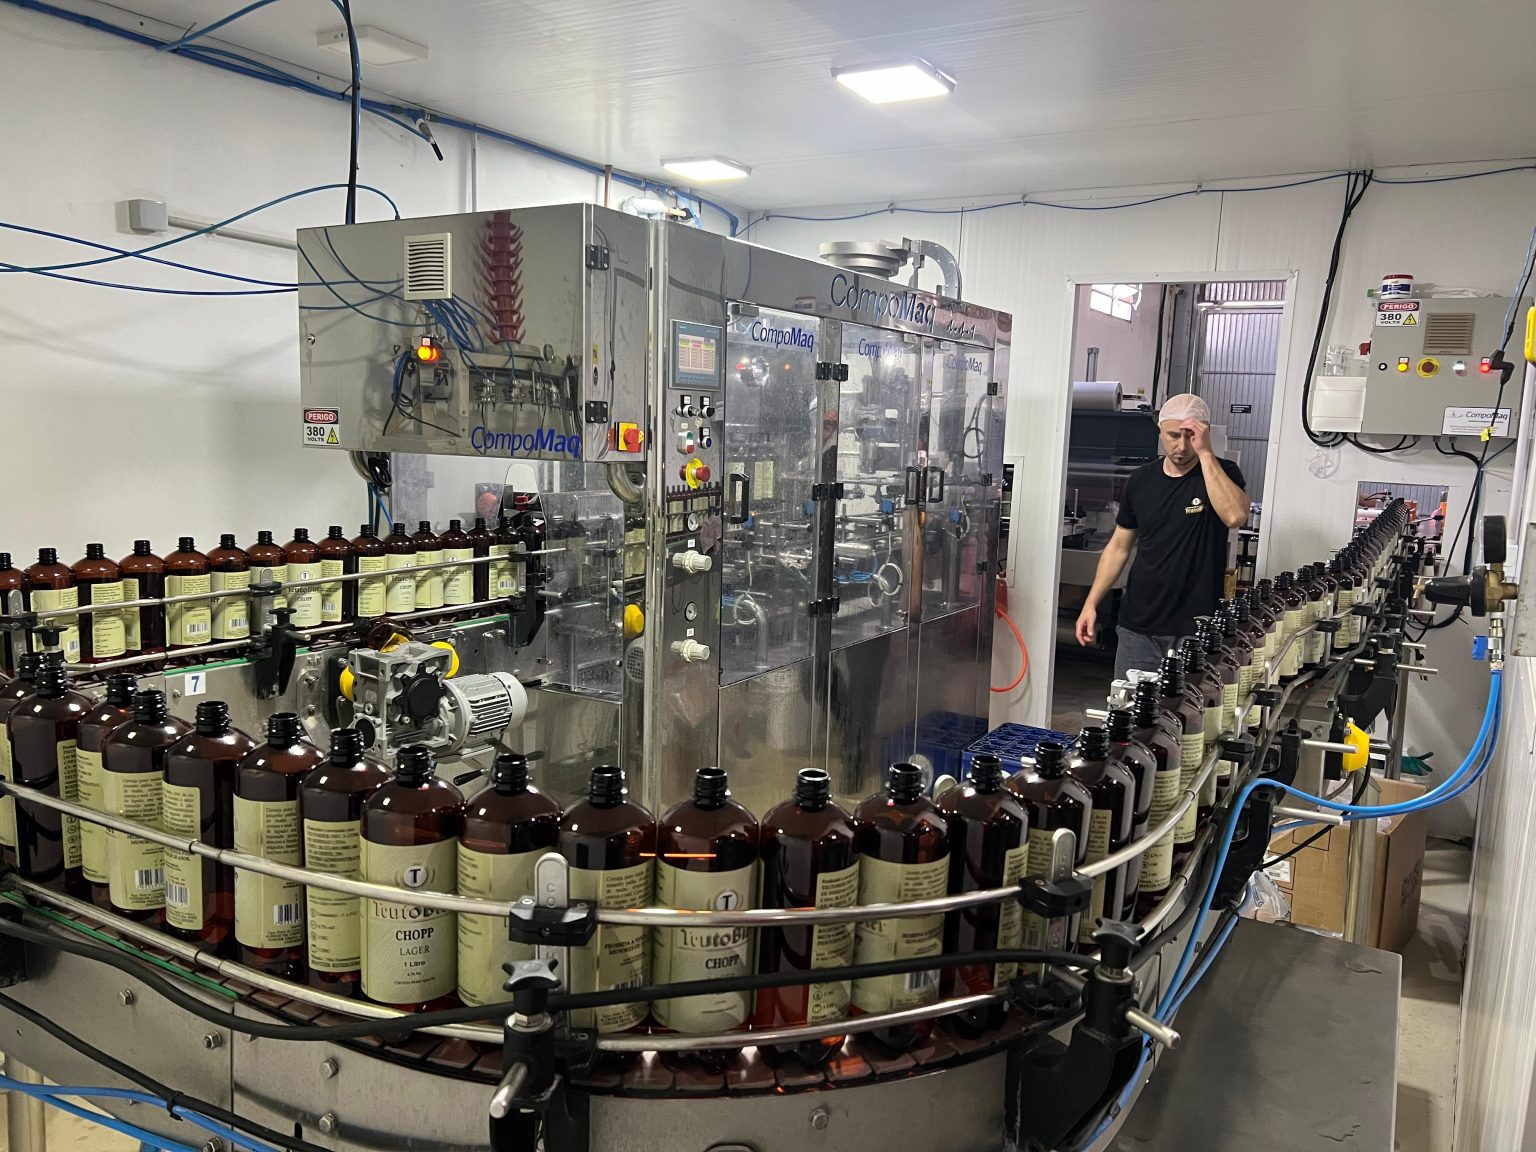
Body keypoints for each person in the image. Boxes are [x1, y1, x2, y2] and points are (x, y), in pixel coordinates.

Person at [1075, 394, 1249, 681]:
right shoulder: (1141, 480)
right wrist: (1091, 603)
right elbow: (1118, 547)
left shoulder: (1222, 473)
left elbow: (1235, 516)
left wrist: (1206, 454)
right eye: (1173, 435)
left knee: (1189, 707)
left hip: (1197, 626)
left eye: (1190, 436)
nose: (1181, 446)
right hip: (1139, 626)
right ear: (1160, 431)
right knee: (1131, 704)